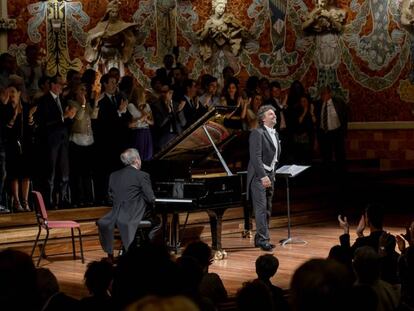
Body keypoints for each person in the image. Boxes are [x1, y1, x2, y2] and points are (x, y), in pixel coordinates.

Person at [96, 148, 160, 262]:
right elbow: (151, 198)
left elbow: (110, 197)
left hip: (115, 215)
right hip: (132, 216)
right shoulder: (142, 175)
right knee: (157, 222)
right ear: (136, 160)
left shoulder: (113, 175)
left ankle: (113, 255)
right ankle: (148, 251)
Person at [247, 105, 281, 251]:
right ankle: (263, 239)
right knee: (261, 208)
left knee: (267, 208)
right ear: (263, 118)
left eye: (274, 113)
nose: (274, 115)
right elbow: (255, 157)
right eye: (270, 114)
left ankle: (259, 238)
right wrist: (263, 176)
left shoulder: (276, 134)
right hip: (258, 176)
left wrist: (272, 174)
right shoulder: (257, 133)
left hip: (270, 174)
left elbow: (274, 156)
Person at [84, 0, 137, 74]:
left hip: (116, 53)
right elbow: (91, 35)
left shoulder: (122, 25)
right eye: (112, 12)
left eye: (116, 12)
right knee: (106, 74)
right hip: (105, 53)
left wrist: (127, 39)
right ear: (108, 13)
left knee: (118, 74)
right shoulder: (102, 25)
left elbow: (130, 38)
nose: (114, 14)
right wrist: (100, 35)